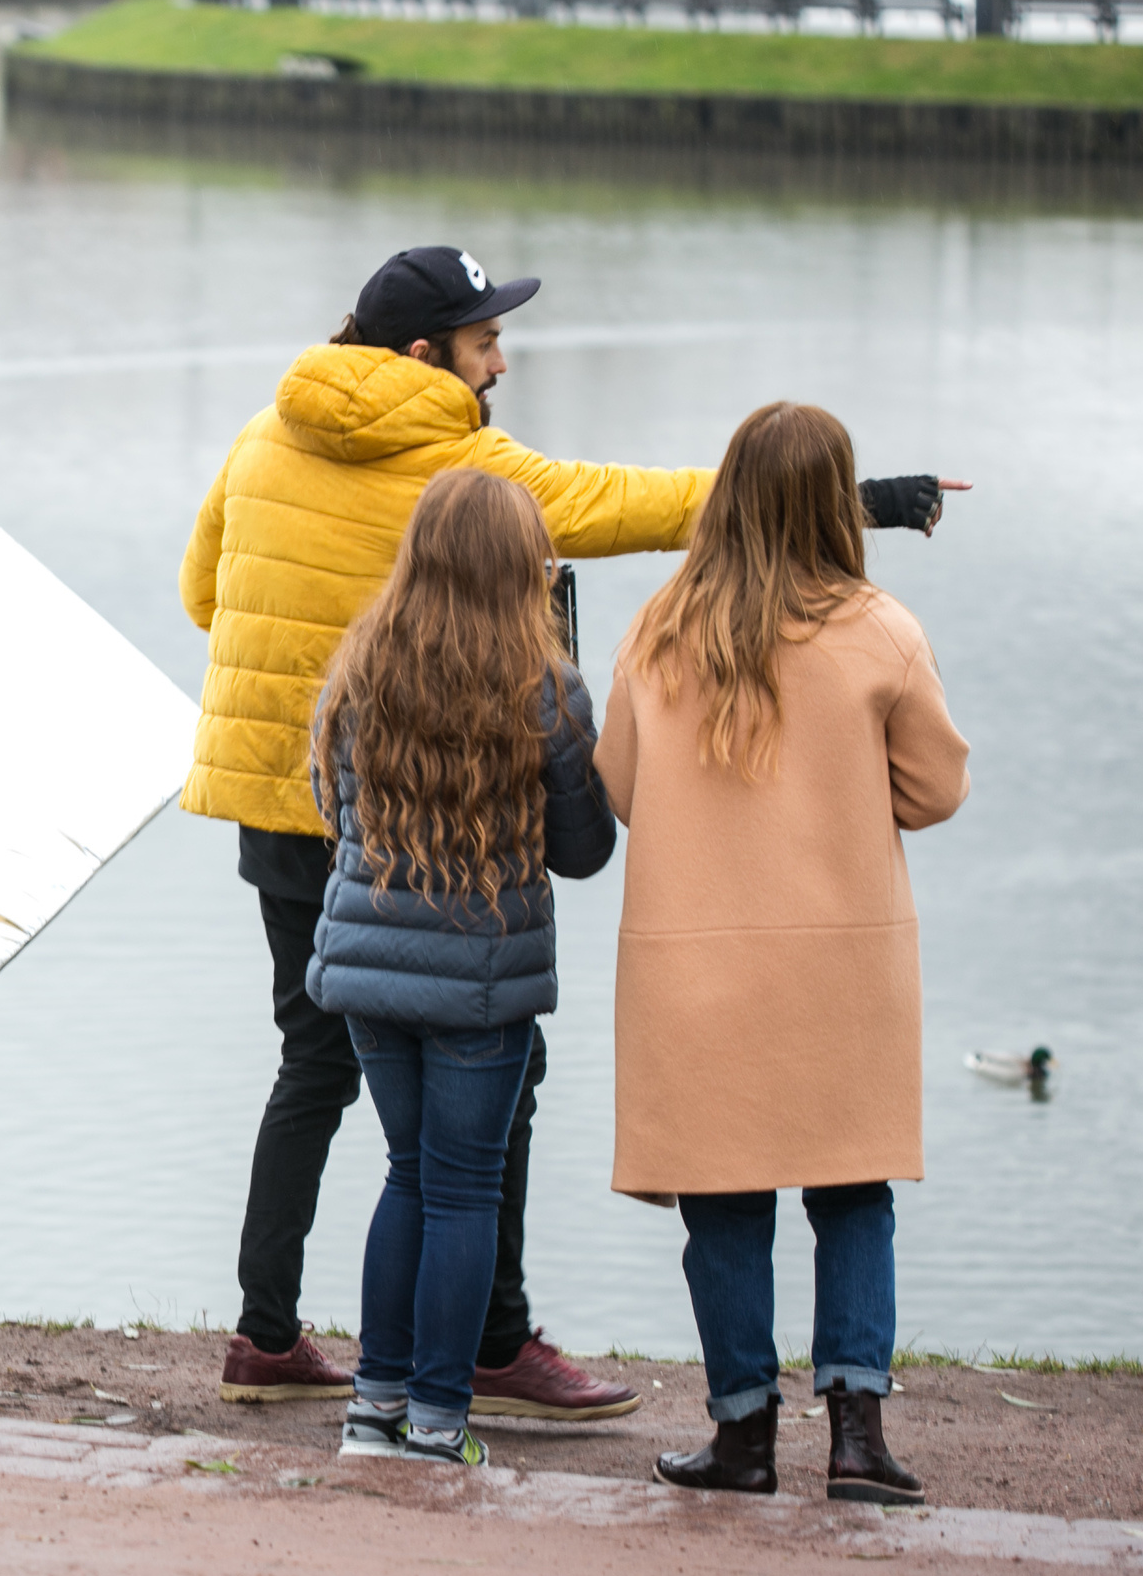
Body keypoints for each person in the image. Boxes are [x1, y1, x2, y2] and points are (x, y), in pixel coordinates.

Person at [182, 245, 957, 1412]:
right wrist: (853, 507)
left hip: (280, 802)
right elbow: (634, 506)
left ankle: (264, 1332)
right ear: (422, 353)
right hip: (422, 824)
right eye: (485, 341)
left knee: (313, 1060)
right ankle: (492, 1344)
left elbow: (206, 594)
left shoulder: (260, 436)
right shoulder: (464, 463)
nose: (502, 360)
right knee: (502, 1072)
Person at [594, 401, 970, 1504]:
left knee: (723, 1205)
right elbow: (935, 790)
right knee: (852, 1194)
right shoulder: (879, 629)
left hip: (695, 971)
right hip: (840, 969)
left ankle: (743, 1435)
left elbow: (618, 788)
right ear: (834, 500)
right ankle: (856, 1436)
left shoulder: (660, 629)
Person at [307, 469, 619, 1465]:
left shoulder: (360, 665)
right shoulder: (545, 687)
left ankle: (373, 1411)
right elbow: (583, 850)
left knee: (408, 1175)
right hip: (479, 979)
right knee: (463, 1189)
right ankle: (438, 1421)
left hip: (367, 967)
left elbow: (339, 818)